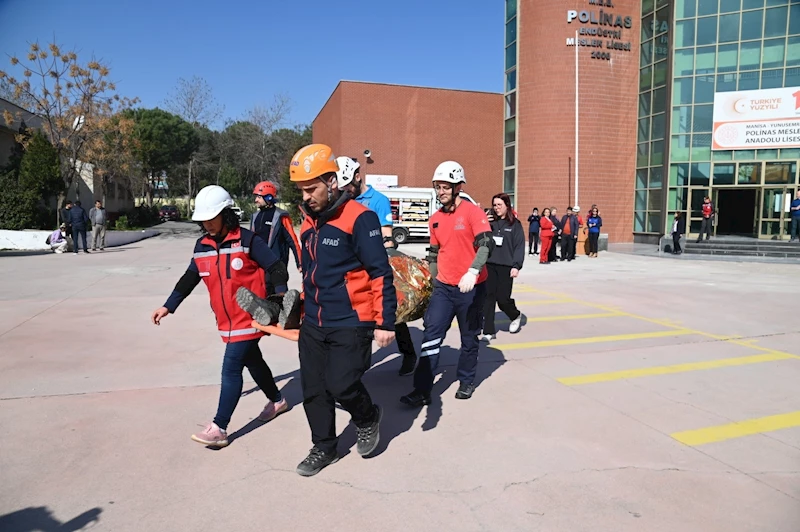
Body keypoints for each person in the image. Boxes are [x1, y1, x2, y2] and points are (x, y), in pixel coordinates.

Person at [150, 185, 291, 448]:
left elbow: (276, 266)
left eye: (211, 218)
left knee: (231, 368)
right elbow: (190, 277)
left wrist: (280, 294)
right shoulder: (201, 245)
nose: (207, 224)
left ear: (226, 214)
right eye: (203, 220)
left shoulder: (248, 240)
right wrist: (169, 305)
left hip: (251, 316)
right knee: (253, 361)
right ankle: (278, 401)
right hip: (225, 320)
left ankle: (220, 427)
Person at [289, 144, 397, 477]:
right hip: (314, 323)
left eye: (312, 189)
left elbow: (380, 271)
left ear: (332, 182)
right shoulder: (308, 224)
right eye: (301, 190)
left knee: (342, 384)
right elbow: (311, 274)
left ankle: (367, 417)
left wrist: (385, 321)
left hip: (352, 319)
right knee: (314, 389)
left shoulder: (360, 218)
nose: (306, 197)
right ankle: (324, 447)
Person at [400, 160, 494, 407]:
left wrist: (473, 271)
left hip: (471, 287)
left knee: (469, 337)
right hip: (444, 287)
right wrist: (431, 283)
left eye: (445, 187)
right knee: (431, 335)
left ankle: (466, 380)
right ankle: (422, 390)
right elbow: (433, 253)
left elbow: (486, 244)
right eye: (437, 187)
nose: (440, 192)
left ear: (458, 187)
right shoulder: (435, 219)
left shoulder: (474, 212)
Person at [335, 156, 418, 377]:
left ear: (357, 176)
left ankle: (408, 354)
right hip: (351, 269)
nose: (346, 192)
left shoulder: (378, 200)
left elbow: (387, 238)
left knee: (390, 313)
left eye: (348, 187)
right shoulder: (343, 201)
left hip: (374, 266)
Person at [479, 193, 524, 342]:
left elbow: (519, 246)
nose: (496, 208)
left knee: (503, 299)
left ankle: (515, 315)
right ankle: (489, 331)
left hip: (506, 266)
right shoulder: (489, 222)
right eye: (494, 205)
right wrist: (483, 222)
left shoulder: (515, 225)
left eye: (499, 205)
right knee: (488, 297)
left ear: (507, 206)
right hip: (490, 264)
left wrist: (516, 265)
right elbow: (478, 238)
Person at [251, 180, 302, 292]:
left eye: (259, 197)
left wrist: (300, 262)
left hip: (277, 268)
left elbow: (293, 241)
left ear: (268, 198)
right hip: (259, 268)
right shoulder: (254, 217)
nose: (256, 200)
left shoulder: (281, 216)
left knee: (280, 302)